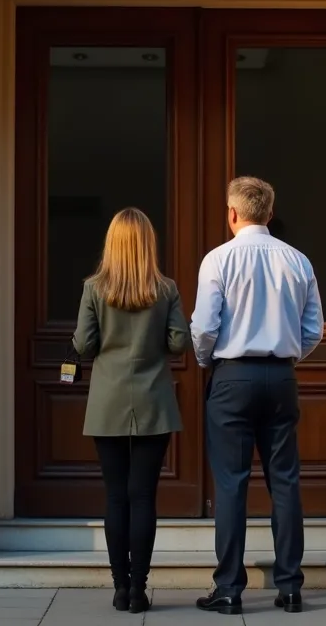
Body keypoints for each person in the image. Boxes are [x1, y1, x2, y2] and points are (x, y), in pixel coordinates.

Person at [189, 176, 324, 615]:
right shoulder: (298, 260)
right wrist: (286, 356)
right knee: (285, 481)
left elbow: (204, 327)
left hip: (233, 376)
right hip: (281, 378)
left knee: (231, 485)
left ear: (232, 213)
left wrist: (209, 361)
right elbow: (313, 330)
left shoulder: (218, 259)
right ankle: (290, 587)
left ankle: (229, 589)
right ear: (269, 212)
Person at [73, 207, 189, 614]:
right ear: (147, 245)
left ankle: (120, 587)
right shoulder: (166, 289)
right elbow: (178, 342)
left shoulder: (93, 289)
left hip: (107, 402)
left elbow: (84, 345)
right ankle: (139, 588)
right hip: (154, 401)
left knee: (115, 497)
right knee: (143, 497)